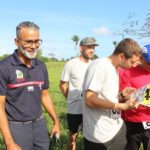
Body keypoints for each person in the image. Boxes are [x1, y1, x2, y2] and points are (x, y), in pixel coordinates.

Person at [0, 21, 60, 150]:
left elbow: (44, 95)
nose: (34, 46)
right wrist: (9, 142)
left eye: (37, 41)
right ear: (17, 41)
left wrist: (56, 121)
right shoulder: (4, 67)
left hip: (39, 125)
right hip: (17, 128)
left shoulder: (41, 66)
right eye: (28, 41)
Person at [82, 38, 141, 150]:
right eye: (132, 62)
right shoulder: (99, 66)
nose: (134, 66)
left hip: (116, 128)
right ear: (122, 56)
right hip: (100, 136)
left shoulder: (114, 69)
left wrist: (121, 96)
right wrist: (121, 106)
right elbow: (89, 100)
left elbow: (104, 97)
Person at [59, 37, 99, 150]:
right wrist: (70, 97)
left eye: (93, 48)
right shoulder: (71, 64)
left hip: (91, 108)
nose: (92, 50)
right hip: (75, 109)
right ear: (81, 48)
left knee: (91, 136)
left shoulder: (94, 65)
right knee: (73, 136)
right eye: (89, 47)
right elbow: (62, 84)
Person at [119, 44, 150, 150]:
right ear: (141, 58)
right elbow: (123, 96)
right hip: (133, 121)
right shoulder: (128, 71)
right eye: (149, 63)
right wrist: (131, 101)